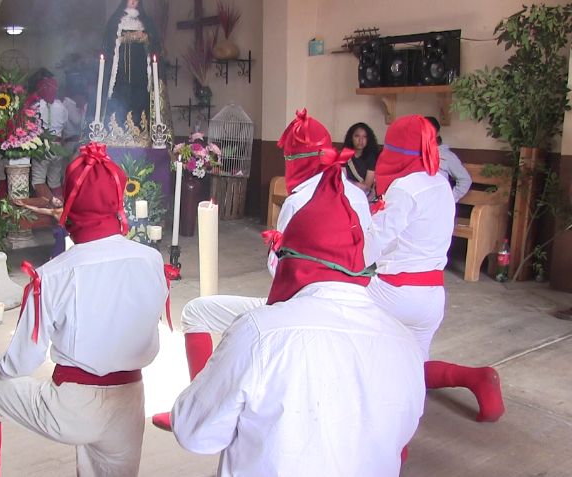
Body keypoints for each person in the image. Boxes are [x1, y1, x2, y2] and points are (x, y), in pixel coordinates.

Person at [171, 161, 425, 477]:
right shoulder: (405, 342)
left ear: (293, 261)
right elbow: (400, 438)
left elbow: (194, 434)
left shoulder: (259, 333)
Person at [151, 109, 373, 431]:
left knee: (198, 311)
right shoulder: (354, 193)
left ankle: (202, 411)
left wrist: (274, 251)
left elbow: (283, 270)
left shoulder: (299, 202)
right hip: (350, 306)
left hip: (295, 310)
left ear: (297, 160)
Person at [0, 142, 169, 477]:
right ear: (118, 202)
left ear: (69, 204)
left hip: (72, 408)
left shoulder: (53, 274)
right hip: (130, 403)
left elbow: (22, 361)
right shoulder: (150, 259)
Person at [367, 115, 504, 423]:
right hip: (432, 296)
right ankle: (475, 378)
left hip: (393, 293)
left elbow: (369, 246)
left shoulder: (404, 188)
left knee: (335, 314)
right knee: (414, 371)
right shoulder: (440, 183)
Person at [102, 0, 158, 127]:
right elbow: (110, 42)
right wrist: (123, 38)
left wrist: (145, 38)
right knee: (120, 97)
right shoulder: (116, 20)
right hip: (120, 71)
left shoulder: (145, 22)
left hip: (139, 72)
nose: (133, 1)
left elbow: (154, 43)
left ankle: (140, 127)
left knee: (139, 98)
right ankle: (117, 127)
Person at [28, 72, 67, 204]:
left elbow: (29, 125)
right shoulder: (62, 106)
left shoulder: (36, 105)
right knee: (55, 181)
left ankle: (49, 208)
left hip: (43, 148)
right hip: (58, 147)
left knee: (38, 181)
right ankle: (60, 208)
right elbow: (65, 124)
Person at [425, 116, 472, 202]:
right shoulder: (415, 154)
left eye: (429, 131)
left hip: (437, 205)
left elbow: (465, 180)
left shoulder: (446, 156)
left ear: (437, 133)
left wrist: (449, 200)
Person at [342, 122, 379, 196]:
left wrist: (350, 183)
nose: (361, 140)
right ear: (351, 138)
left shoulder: (371, 157)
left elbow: (367, 187)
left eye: (364, 137)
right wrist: (356, 184)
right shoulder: (344, 155)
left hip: (364, 196)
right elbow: (342, 181)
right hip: (347, 193)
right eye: (357, 136)